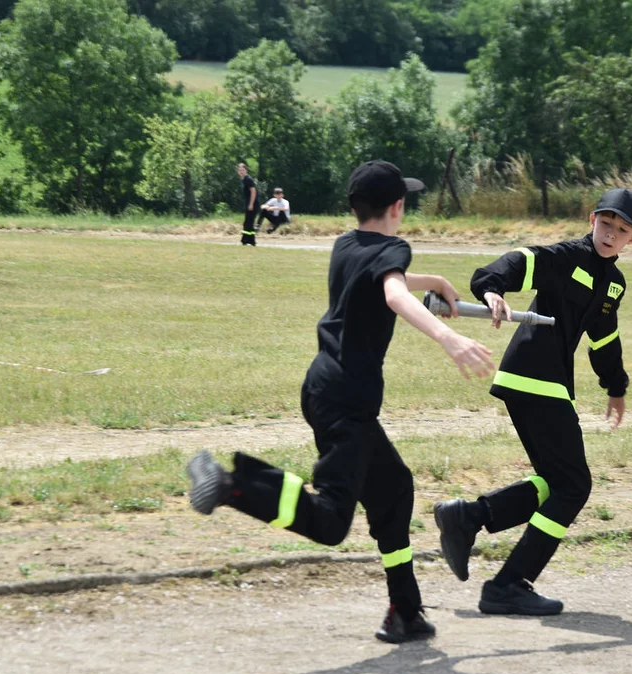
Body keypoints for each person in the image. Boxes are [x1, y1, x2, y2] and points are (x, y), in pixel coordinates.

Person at [186, 160, 495, 643]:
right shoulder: (395, 249)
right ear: (399, 207)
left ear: (354, 207)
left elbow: (382, 278)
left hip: (325, 387)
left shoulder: (345, 244)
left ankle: (406, 612)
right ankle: (231, 484)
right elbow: (392, 293)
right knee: (331, 520)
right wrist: (449, 339)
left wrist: (432, 279)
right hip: (347, 399)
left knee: (393, 490)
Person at [434, 188, 632, 616]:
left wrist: (616, 386)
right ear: (592, 220)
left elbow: (604, 339)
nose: (610, 234)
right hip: (534, 375)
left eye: (621, 230)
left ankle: (470, 517)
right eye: (606, 224)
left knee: (558, 482)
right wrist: (492, 288)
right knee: (574, 485)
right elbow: (521, 260)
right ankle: (509, 583)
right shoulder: (567, 257)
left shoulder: (614, 285)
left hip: (547, 382)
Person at [237, 162, 259, 246]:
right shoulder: (243, 180)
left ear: (246, 170)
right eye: (239, 170)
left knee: (248, 222)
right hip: (249, 203)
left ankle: (245, 240)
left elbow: (253, 191)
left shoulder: (248, 179)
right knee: (249, 222)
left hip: (252, 204)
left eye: (243, 170)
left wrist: (251, 204)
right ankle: (251, 240)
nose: (241, 171)